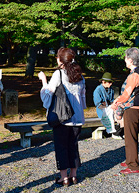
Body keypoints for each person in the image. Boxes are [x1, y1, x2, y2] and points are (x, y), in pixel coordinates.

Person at [38, 48, 86, 186]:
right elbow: (82, 97)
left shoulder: (58, 74)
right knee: (73, 145)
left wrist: (43, 80)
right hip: (77, 117)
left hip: (63, 117)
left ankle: (64, 177)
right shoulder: (79, 74)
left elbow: (48, 94)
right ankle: (74, 175)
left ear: (60, 60)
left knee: (61, 147)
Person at [111, 47, 139, 174]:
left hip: (132, 109)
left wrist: (115, 102)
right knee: (130, 136)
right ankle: (130, 160)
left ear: (130, 60)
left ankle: (133, 166)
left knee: (130, 137)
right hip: (134, 108)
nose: (125, 60)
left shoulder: (134, 75)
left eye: (126, 58)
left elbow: (126, 95)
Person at [93, 72, 120, 137]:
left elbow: (112, 101)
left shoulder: (111, 90)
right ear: (103, 82)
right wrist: (108, 106)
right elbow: (98, 104)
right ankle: (114, 132)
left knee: (119, 113)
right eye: (109, 82)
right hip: (102, 110)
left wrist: (113, 105)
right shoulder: (98, 90)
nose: (111, 84)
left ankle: (118, 131)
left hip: (110, 108)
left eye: (111, 82)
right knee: (111, 116)